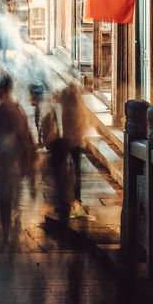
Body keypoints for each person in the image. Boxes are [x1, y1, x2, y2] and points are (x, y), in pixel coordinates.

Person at [0, 76, 36, 246]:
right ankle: (13, 219)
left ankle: (6, 228)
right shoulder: (16, 110)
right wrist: (29, 160)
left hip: (3, 163)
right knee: (12, 193)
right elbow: (25, 136)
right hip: (13, 163)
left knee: (4, 196)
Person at [59, 81, 88, 210]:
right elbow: (83, 123)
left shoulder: (65, 109)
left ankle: (67, 195)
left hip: (67, 141)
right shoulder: (77, 109)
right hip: (75, 142)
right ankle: (76, 196)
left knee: (66, 169)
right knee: (76, 170)